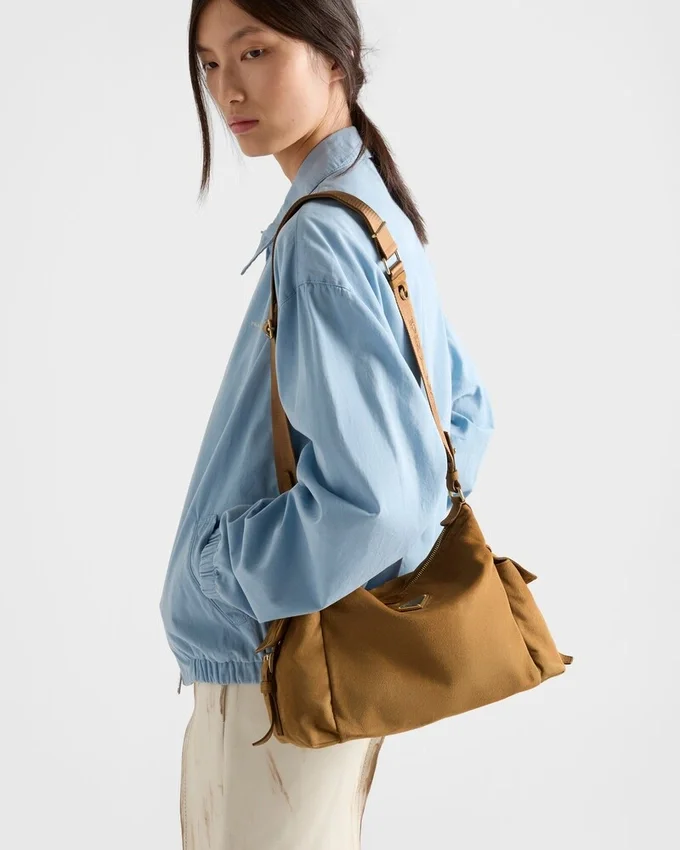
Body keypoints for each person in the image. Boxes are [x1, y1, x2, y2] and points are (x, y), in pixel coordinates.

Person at [159, 0, 495, 847]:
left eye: (255, 52)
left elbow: (381, 502)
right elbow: (465, 414)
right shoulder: (370, 205)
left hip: (276, 674)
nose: (227, 89)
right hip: (318, 659)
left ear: (334, 57)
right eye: (209, 63)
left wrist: (223, 573)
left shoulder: (320, 233)